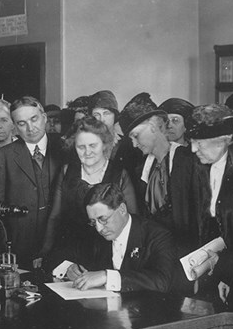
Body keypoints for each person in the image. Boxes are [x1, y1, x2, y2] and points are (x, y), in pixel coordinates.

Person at [185, 103, 233, 305]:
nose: (194, 149)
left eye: (199, 143)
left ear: (223, 141)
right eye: (192, 142)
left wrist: (226, 272)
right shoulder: (197, 167)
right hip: (205, 267)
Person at [49, 183, 178, 293]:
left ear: (122, 209)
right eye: (93, 222)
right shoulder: (93, 233)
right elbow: (54, 256)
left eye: (103, 219)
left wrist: (107, 276)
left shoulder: (158, 235)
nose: (99, 229)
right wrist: (69, 268)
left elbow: (162, 281)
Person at [0, 96, 63, 269]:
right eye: (21, 123)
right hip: (20, 252)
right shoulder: (4, 156)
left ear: (44, 117)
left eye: (34, 119)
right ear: (15, 127)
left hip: (61, 249)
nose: (30, 128)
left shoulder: (65, 148)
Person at [39, 116, 138, 258]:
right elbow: (55, 216)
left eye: (93, 145)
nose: (87, 152)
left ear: (104, 144)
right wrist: (45, 252)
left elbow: (132, 218)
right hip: (70, 250)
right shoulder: (66, 171)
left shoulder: (120, 174)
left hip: (109, 252)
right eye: (81, 147)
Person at [119, 92, 199, 253]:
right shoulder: (141, 169)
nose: (134, 144)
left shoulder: (188, 162)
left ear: (154, 127)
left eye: (136, 136)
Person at [89, 90, 141, 177]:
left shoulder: (128, 144)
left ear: (115, 116)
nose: (102, 119)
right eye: (96, 114)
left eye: (106, 113)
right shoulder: (84, 144)